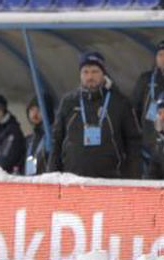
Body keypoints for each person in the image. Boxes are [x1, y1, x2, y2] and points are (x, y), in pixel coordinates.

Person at [50, 51, 142, 179]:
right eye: (85, 72)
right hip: (72, 179)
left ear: (103, 74)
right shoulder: (69, 101)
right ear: (80, 75)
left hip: (110, 179)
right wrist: (52, 175)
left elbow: (133, 142)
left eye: (95, 71)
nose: (90, 77)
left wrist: (133, 178)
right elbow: (56, 140)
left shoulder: (120, 102)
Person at [22, 96, 51, 176]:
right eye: (32, 110)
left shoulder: (51, 136)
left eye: (39, 110)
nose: (35, 114)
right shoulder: (30, 139)